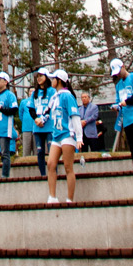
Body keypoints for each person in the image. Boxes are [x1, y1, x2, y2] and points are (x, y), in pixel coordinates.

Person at [44, 70, 81, 204]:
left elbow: (75, 117)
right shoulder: (54, 97)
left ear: (59, 80)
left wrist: (79, 138)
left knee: (67, 166)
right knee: (51, 163)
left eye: (53, 78)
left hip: (67, 134)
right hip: (56, 135)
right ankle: (52, 196)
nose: (51, 81)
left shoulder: (67, 96)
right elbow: (47, 112)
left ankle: (69, 198)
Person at [25, 69, 53, 177]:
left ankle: (53, 173)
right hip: (37, 128)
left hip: (49, 127)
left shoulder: (51, 91)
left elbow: (51, 107)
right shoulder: (35, 93)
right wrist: (36, 119)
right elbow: (31, 108)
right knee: (40, 152)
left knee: (51, 152)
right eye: (37, 77)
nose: (39, 78)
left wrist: (43, 119)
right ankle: (43, 174)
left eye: (41, 76)